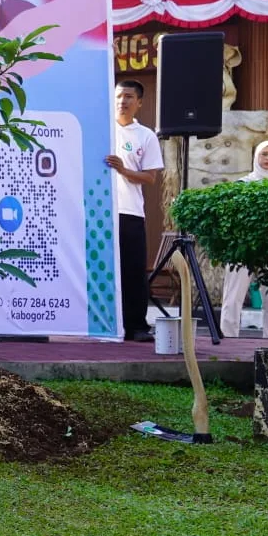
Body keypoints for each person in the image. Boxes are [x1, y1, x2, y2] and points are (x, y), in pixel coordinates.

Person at [107, 78, 163, 343]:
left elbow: (151, 177)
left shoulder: (146, 135)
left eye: (128, 97)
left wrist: (124, 170)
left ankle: (136, 325)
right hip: (100, 209)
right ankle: (104, 323)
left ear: (139, 102)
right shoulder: (102, 127)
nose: (122, 101)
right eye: (119, 96)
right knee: (104, 267)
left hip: (130, 211)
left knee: (132, 270)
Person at [219, 140, 268, 339]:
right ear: (256, 157)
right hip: (242, 249)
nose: (267, 159)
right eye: (264, 154)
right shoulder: (243, 185)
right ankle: (228, 338)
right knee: (233, 297)